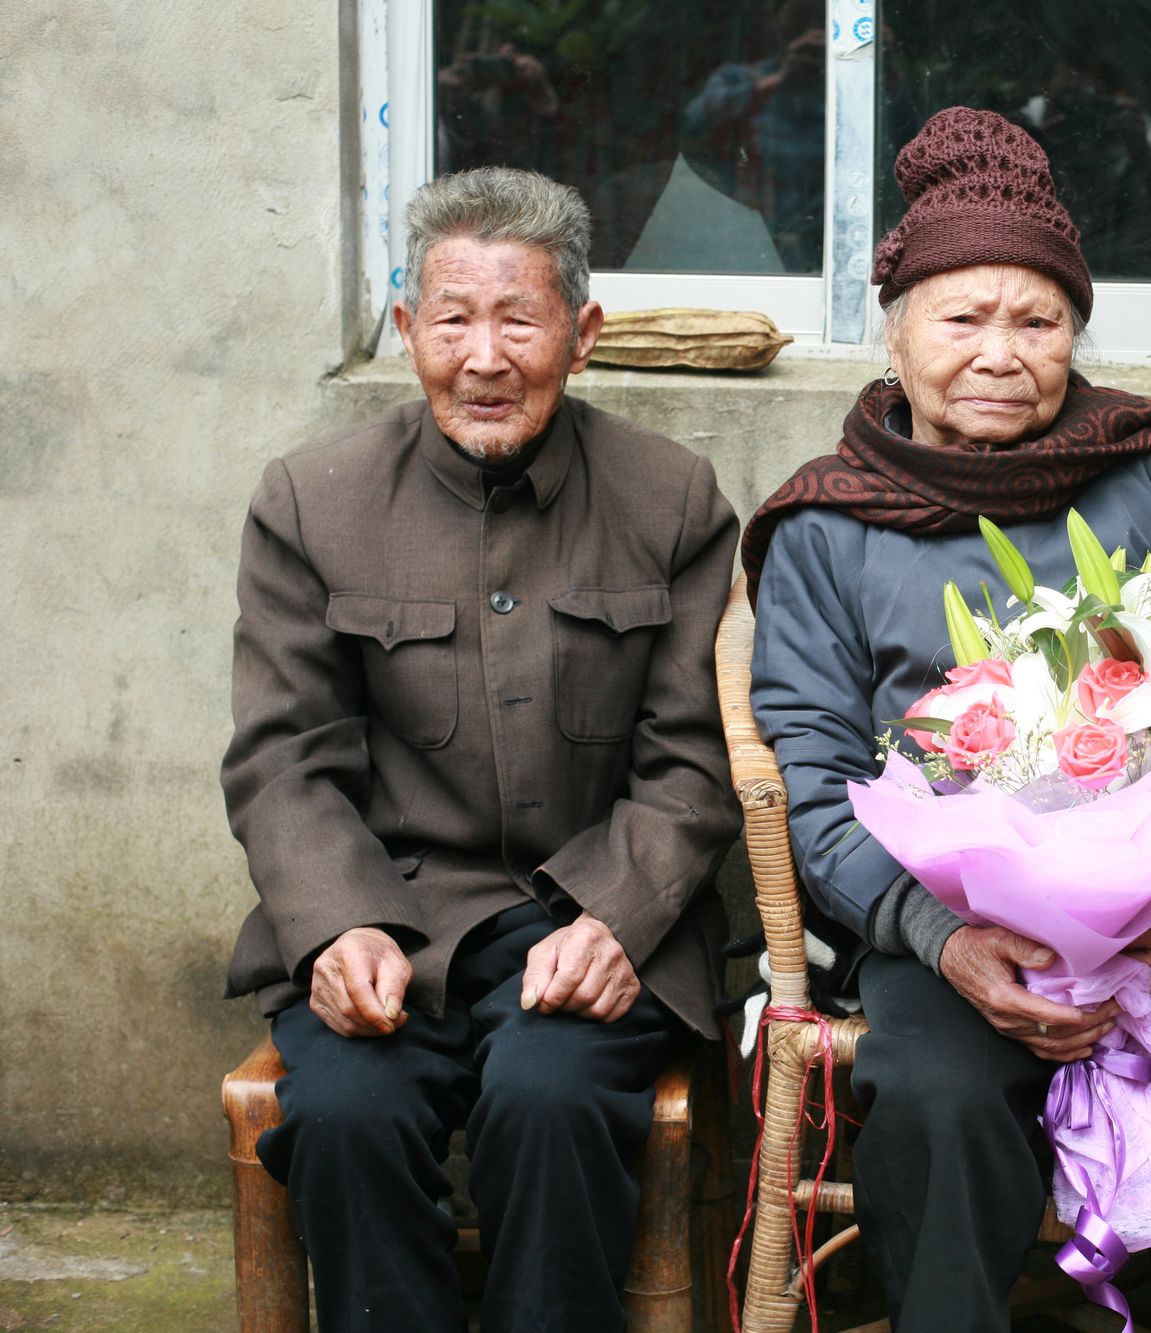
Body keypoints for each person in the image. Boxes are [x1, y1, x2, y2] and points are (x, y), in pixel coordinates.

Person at [741, 107, 1151, 1331]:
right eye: (961, 316)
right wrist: (941, 936)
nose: (999, 351)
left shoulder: (1147, 473)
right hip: (954, 929)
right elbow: (809, 774)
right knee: (936, 1097)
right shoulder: (823, 527)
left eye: (1038, 319)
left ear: (1075, 332)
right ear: (895, 328)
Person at [219, 166, 741, 1331]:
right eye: (452, 318)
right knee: (348, 1119)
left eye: (520, 316)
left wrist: (616, 918)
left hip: (591, 924)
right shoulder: (312, 501)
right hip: (389, 918)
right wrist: (337, 921)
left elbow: (695, 758)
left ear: (583, 331)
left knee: (552, 1104)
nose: (484, 356)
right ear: (408, 328)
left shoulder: (670, 499)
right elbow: (282, 755)